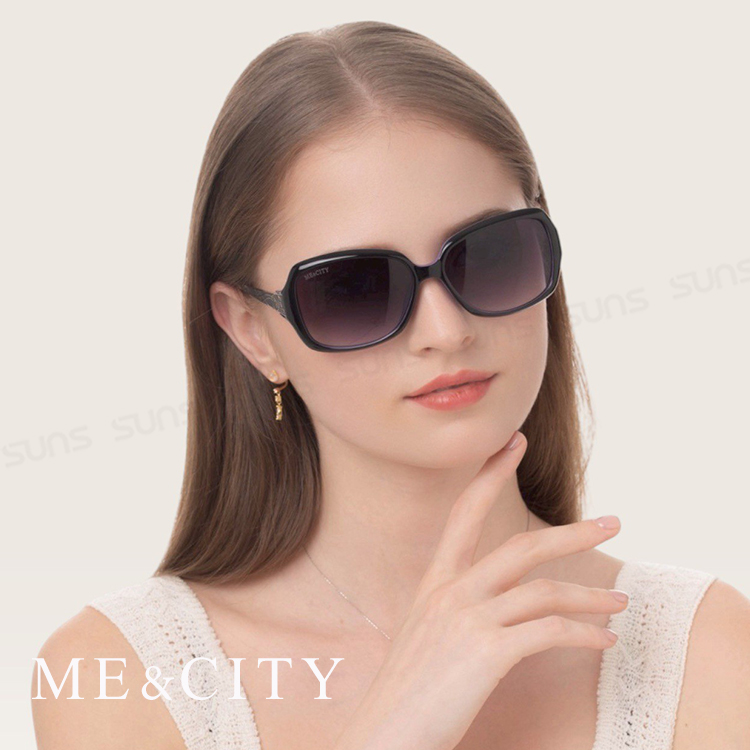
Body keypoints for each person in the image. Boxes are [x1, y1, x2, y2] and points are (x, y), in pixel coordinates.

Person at [32, 20, 750, 750]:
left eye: (489, 253)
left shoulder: (706, 651)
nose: (445, 329)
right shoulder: (124, 672)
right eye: (355, 288)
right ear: (252, 331)